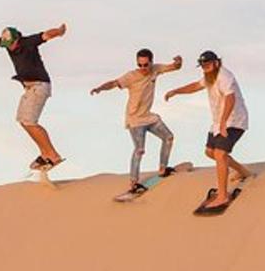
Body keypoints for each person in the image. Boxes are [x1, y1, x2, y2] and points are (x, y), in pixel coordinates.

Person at [0, 24, 67, 170]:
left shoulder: (28, 42)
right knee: (23, 121)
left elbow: (47, 35)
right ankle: (45, 155)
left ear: (17, 38)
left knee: (29, 122)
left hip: (39, 85)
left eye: (11, 43)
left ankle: (53, 155)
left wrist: (60, 32)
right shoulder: (6, 44)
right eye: (6, 45)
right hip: (30, 88)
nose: (9, 47)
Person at [164, 50, 250, 210]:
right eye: (203, 66)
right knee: (210, 152)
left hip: (234, 121)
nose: (206, 68)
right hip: (219, 122)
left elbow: (230, 98)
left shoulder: (225, 76)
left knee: (220, 153)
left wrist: (224, 123)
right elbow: (196, 86)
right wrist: (176, 91)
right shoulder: (209, 77)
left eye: (208, 65)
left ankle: (223, 196)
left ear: (216, 63)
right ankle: (242, 171)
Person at [91, 49, 184, 195]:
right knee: (139, 150)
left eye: (145, 65)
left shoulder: (156, 69)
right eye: (139, 65)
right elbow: (114, 83)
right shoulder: (131, 76)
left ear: (151, 62)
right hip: (134, 120)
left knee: (168, 137)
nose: (143, 68)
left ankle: (162, 169)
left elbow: (174, 67)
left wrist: (179, 62)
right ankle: (133, 184)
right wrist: (100, 88)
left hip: (148, 117)